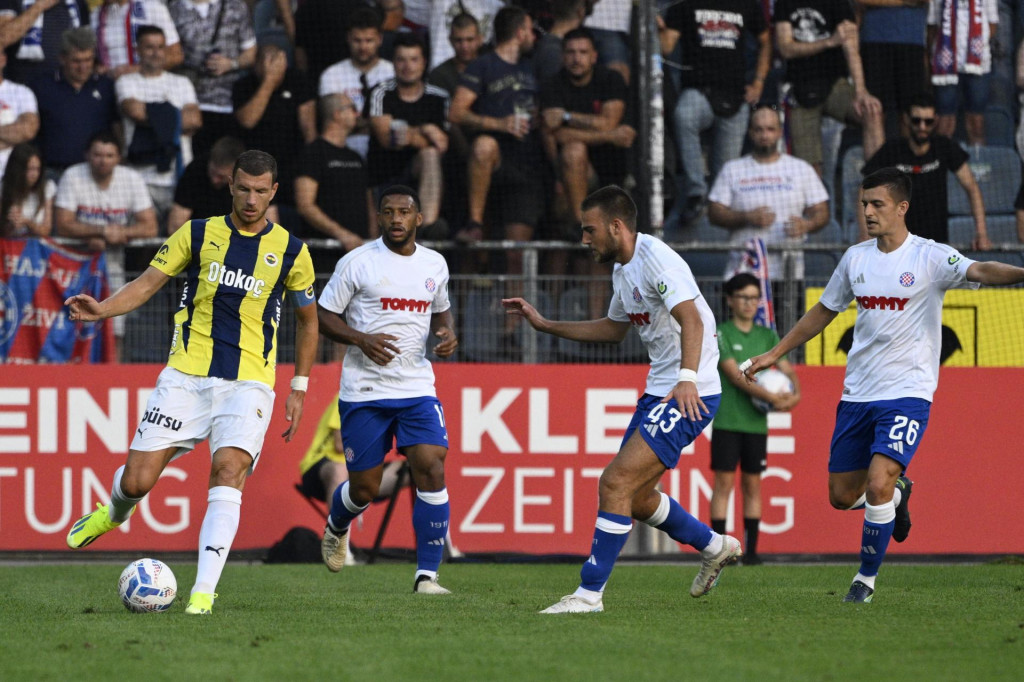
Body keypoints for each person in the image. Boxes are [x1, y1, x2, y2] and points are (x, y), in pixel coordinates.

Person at [740, 167, 1024, 602]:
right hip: (858, 393)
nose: (868, 212)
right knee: (840, 496)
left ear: (901, 208)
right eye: (864, 204)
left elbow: (981, 268)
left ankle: (865, 580)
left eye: (878, 204)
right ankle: (897, 496)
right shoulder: (856, 259)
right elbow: (824, 310)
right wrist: (776, 353)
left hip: (909, 392)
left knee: (876, 483)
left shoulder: (929, 257)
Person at [64, 149, 319, 616]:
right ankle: (114, 513)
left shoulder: (292, 251)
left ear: (274, 192)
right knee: (138, 483)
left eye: (261, 191)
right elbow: (147, 282)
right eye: (243, 188)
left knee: (228, 471)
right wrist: (102, 308)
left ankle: (202, 593)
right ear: (231, 186)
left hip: (249, 384)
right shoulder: (197, 233)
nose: (251, 198)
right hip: (185, 377)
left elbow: (309, 321)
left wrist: (299, 386)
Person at [502, 186, 741, 614]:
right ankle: (714, 545)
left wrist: (687, 378)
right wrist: (546, 325)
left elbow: (692, 319)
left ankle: (589, 594)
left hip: (691, 392)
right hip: (660, 389)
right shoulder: (622, 269)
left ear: (616, 227)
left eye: (589, 230)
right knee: (637, 496)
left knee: (613, 482)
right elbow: (614, 330)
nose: (584, 239)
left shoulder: (656, 260)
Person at [317, 184, 459, 595]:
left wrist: (447, 333)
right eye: (388, 212)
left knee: (431, 465)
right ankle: (338, 523)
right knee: (363, 487)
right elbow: (323, 314)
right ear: (378, 218)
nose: (396, 219)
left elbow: (441, 310)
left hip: (416, 386)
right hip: (364, 389)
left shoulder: (435, 264)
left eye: (404, 212)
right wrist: (361, 339)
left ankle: (426, 577)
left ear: (418, 218)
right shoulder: (356, 262)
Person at [710, 272, 800, 566]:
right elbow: (735, 375)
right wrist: (773, 398)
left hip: (755, 424)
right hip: (727, 421)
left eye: (754, 297)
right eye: (743, 297)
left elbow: (786, 369)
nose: (749, 303)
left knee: (752, 485)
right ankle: (718, 550)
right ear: (730, 300)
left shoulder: (767, 335)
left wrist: (795, 393)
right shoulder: (722, 333)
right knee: (723, 485)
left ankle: (751, 552)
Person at [659, 0, 772, 226]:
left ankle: (717, 222)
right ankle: (695, 192)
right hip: (698, 90)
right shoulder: (684, 5)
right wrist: (658, 30)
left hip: (735, 95)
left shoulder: (747, 5)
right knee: (684, 115)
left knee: (725, 173)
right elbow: (666, 47)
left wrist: (758, 82)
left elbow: (766, 41)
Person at [53, 129, 158, 356]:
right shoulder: (73, 175)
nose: (103, 161)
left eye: (109, 155)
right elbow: (62, 224)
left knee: (115, 325)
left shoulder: (131, 179)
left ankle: (113, 371)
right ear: (87, 155)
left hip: (113, 262)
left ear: (118, 157)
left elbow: (150, 226)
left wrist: (124, 233)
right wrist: (102, 231)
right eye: (98, 155)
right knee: (68, 323)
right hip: (73, 262)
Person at [448, 5, 542, 251]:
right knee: (484, 145)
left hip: (527, 164)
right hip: (493, 158)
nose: (534, 37)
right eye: (530, 30)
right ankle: (474, 222)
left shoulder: (531, 66)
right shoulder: (482, 65)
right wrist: (500, 124)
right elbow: (456, 112)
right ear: (520, 33)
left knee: (516, 255)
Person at [708, 106, 830, 282]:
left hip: (787, 274)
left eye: (770, 129)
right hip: (743, 274)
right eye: (759, 129)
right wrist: (746, 217)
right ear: (750, 132)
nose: (765, 135)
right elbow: (714, 213)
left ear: (780, 132)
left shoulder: (800, 168)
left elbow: (822, 211)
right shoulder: (733, 169)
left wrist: (807, 225)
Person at [860, 92, 990, 248]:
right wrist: (865, 234)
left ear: (935, 121)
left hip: (936, 244)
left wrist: (981, 234)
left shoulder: (944, 147)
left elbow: (972, 188)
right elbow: (864, 190)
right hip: (897, 244)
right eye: (917, 120)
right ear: (907, 119)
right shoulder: (891, 150)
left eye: (928, 122)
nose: (922, 127)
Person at [773, 0, 884, 176]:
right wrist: (829, 41)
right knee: (810, 172)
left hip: (835, 84)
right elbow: (786, 48)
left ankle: (878, 185)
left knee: (872, 110)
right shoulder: (785, 3)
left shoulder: (838, 2)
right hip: (800, 88)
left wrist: (861, 91)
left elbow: (851, 48)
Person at [116, 25, 201, 227]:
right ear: (138, 50)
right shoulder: (127, 81)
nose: (155, 53)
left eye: (160, 47)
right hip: (141, 176)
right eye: (149, 47)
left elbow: (195, 120)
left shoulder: (182, 82)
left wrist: (152, 117)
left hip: (179, 175)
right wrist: (175, 116)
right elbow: (134, 111)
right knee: (142, 244)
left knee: (177, 243)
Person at [366, 33, 449, 234]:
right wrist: (424, 130)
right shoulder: (381, 92)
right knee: (428, 151)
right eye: (401, 59)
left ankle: (425, 230)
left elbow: (442, 146)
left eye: (414, 59)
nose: (407, 66)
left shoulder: (439, 97)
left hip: (423, 175)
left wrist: (411, 136)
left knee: (430, 155)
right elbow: (389, 140)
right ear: (393, 63)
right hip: (385, 174)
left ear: (424, 63)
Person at [233, 43, 316, 217]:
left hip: (293, 164)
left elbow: (309, 129)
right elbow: (248, 120)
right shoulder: (243, 85)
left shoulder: (298, 80)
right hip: (257, 168)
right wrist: (269, 82)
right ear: (256, 65)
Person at [169, 0, 257, 152]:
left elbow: (251, 53)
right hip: (190, 105)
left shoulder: (235, 6)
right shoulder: (174, 8)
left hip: (227, 103)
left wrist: (231, 64)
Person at [29, 26, 118, 176]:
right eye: (76, 61)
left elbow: (117, 127)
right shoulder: (41, 87)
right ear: (62, 58)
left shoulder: (106, 86)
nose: (83, 67)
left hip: (96, 173)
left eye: (88, 60)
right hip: (53, 172)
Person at [294, 93, 375, 251]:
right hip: (326, 249)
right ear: (337, 114)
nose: (357, 114)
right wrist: (341, 234)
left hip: (361, 250)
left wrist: (373, 240)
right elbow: (304, 205)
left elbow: (368, 201)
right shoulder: (313, 153)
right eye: (352, 108)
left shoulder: (356, 157)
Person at [318, 6, 395, 160]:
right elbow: (331, 124)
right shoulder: (332, 74)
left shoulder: (392, 72)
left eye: (369, 40)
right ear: (348, 38)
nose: (363, 47)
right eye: (357, 40)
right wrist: (376, 124)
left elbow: (396, 120)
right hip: (341, 154)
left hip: (386, 154)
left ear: (380, 39)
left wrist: (357, 124)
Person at [927, 0, 998, 144]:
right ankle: (942, 164)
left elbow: (992, 24)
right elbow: (932, 26)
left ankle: (977, 165)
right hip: (945, 65)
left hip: (978, 65)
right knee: (944, 124)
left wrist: (975, 48)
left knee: (976, 124)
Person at [166, 134, 244, 233]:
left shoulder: (247, 183)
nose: (215, 180)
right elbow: (175, 225)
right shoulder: (195, 171)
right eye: (212, 172)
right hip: (198, 236)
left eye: (221, 177)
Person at [0, 0, 89, 85]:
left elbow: (86, 43)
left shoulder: (78, 2)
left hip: (65, 84)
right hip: (24, 82)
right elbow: (3, 38)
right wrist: (38, 6)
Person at [91, 0, 183, 79]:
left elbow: (175, 55)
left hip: (146, 84)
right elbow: (91, 60)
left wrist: (137, 69)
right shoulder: (95, 16)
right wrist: (97, 68)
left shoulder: (153, 7)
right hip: (109, 88)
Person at [0, 142, 54, 237]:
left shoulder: (47, 187)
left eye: (37, 169)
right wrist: (12, 224)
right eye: (30, 169)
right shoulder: (3, 187)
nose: (35, 175)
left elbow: (46, 231)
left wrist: (27, 222)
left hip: (36, 245)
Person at [0, 48, 39, 177]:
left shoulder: (21, 92)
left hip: (14, 176)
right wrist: (9, 135)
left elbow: (27, 130)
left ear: (3, 59)